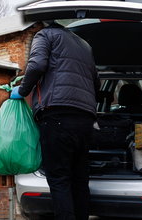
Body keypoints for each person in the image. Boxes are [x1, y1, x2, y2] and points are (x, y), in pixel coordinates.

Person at [11, 21, 100, 220]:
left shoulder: (46, 34)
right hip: (85, 119)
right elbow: (96, 81)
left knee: (60, 179)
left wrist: (23, 90)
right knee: (79, 180)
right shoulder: (85, 45)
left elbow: (36, 65)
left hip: (57, 115)